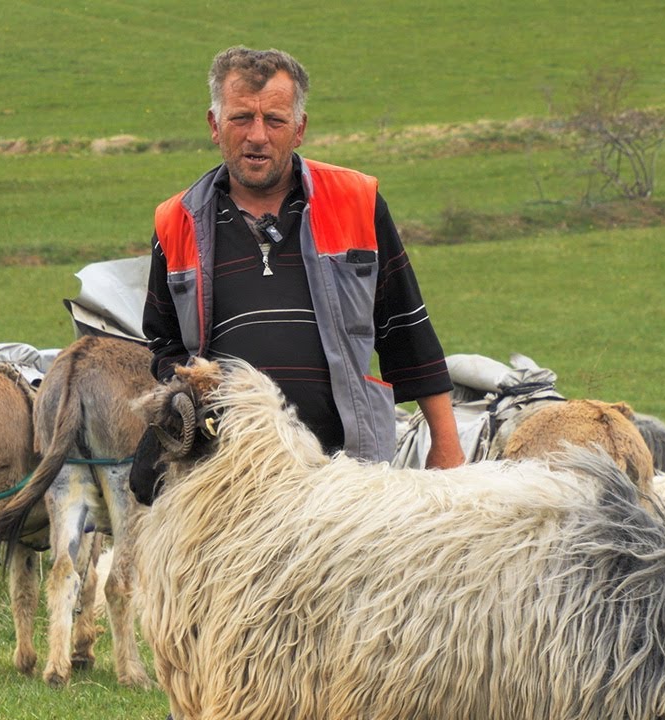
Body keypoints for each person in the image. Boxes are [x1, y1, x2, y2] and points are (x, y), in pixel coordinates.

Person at [142, 46, 464, 469]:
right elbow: (164, 345)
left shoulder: (357, 202)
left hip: (346, 468)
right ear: (215, 125)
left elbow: (405, 329)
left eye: (274, 120)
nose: (257, 135)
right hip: (229, 473)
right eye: (241, 118)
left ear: (299, 129)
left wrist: (447, 446)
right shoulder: (176, 221)